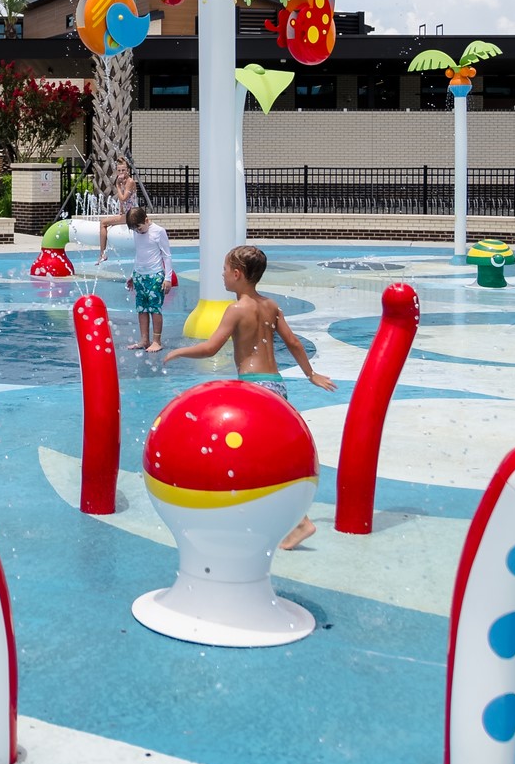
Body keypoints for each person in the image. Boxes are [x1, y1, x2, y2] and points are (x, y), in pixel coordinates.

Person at [164, 245, 336, 549]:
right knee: (273, 455)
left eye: (224, 269)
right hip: (277, 386)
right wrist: (311, 374)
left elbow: (211, 348)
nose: (221, 274)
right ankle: (282, 515)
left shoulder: (236, 309)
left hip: (255, 388)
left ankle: (299, 521)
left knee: (257, 457)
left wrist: (178, 351)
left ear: (237, 274)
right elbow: (294, 342)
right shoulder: (270, 305)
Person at [123, 206, 172, 352]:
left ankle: (157, 341)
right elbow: (139, 254)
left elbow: (167, 255)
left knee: (155, 309)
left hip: (155, 276)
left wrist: (167, 278)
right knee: (142, 309)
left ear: (146, 220)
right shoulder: (137, 233)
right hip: (140, 275)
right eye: (134, 230)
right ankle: (144, 340)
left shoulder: (158, 231)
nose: (138, 231)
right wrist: (133, 274)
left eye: (139, 228)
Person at [96, 156, 139, 263]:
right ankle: (103, 253)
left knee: (103, 223)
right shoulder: (122, 182)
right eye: (119, 170)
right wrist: (121, 211)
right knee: (108, 223)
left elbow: (124, 198)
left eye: (123, 170)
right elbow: (121, 202)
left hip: (132, 214)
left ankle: (102, 254)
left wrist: (118, 187)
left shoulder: (130, 182)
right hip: (127, 213)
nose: (121, 172)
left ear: (128, 171)